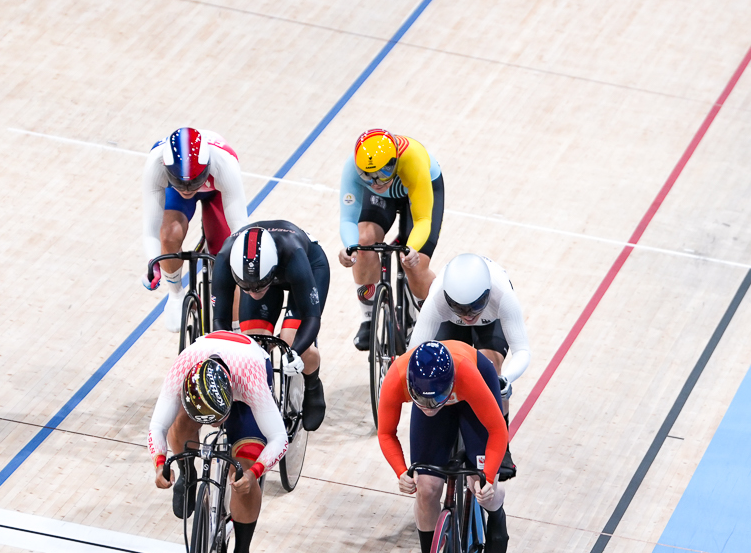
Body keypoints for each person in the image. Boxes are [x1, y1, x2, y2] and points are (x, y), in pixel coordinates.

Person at [149, 330, 288, 553]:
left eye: (216, 418)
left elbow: (279, 438)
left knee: (244, 468)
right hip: (204, 366)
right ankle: (187, 473)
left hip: (247, 372)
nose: (212, 425)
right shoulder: (182, 366)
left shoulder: (251, 380)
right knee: (180, 424)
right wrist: (159, 462)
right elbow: (157, 425)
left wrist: (255, 472)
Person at [375, 341, 511, 553]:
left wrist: (489, 477)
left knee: (479, 485)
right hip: (444, 394)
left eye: (435, 400)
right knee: (426, 489)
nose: (428, 406)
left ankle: (497, 513)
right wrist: (401, 471)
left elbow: (497, 430)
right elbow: (385, 432)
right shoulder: (397, 376)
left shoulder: (468, 374)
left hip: (471, 391)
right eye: (421, 400)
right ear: (411, 387)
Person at [211, 221, 329, 431]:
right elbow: (220, 320)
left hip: (308, 267)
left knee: (290, 339)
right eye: (246, 288)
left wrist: (295, 352)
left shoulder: (293, 253)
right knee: (253, 343)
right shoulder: (225, 258)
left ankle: (313, 384)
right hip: (267, 274)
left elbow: (312, 318)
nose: (254, 293)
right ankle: (261, 400)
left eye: (258, 287)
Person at [339, 128, 444, 351]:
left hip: (418, 190)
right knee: (364, 242)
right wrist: (350, 248)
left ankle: (436, 324)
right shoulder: (355, 167)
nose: (375, 182)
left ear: (394, 162)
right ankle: (368, 318)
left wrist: (413, 249)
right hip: (384, 198)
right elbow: (348, 219)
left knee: (416, 265)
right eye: (367, 175)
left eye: (381, 174)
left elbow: (424, 218)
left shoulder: (413, 159)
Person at [142, 127, 251, 333]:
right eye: (179, 183)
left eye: (194, 182)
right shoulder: (155, 164)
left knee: (229, 254)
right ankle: (175, 295)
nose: (187, 189)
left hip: (216, 192)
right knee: (169, 233)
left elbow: (240, 229)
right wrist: (152, 263)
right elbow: (151, 228)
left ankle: (235, 331)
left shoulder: (224, 164)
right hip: (187, 191)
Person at [408, 252, 533, 391]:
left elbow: (522, 350)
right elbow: (412, 354)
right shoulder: (436, 300)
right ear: (447, 298)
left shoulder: (503, 295)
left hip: (490, 320)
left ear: (488, 294)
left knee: (491, 372)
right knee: (444, 369)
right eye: (459, 308)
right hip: (452, 322)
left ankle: (502, 411)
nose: (468, 316)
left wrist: (505, 380)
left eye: (476, 306)